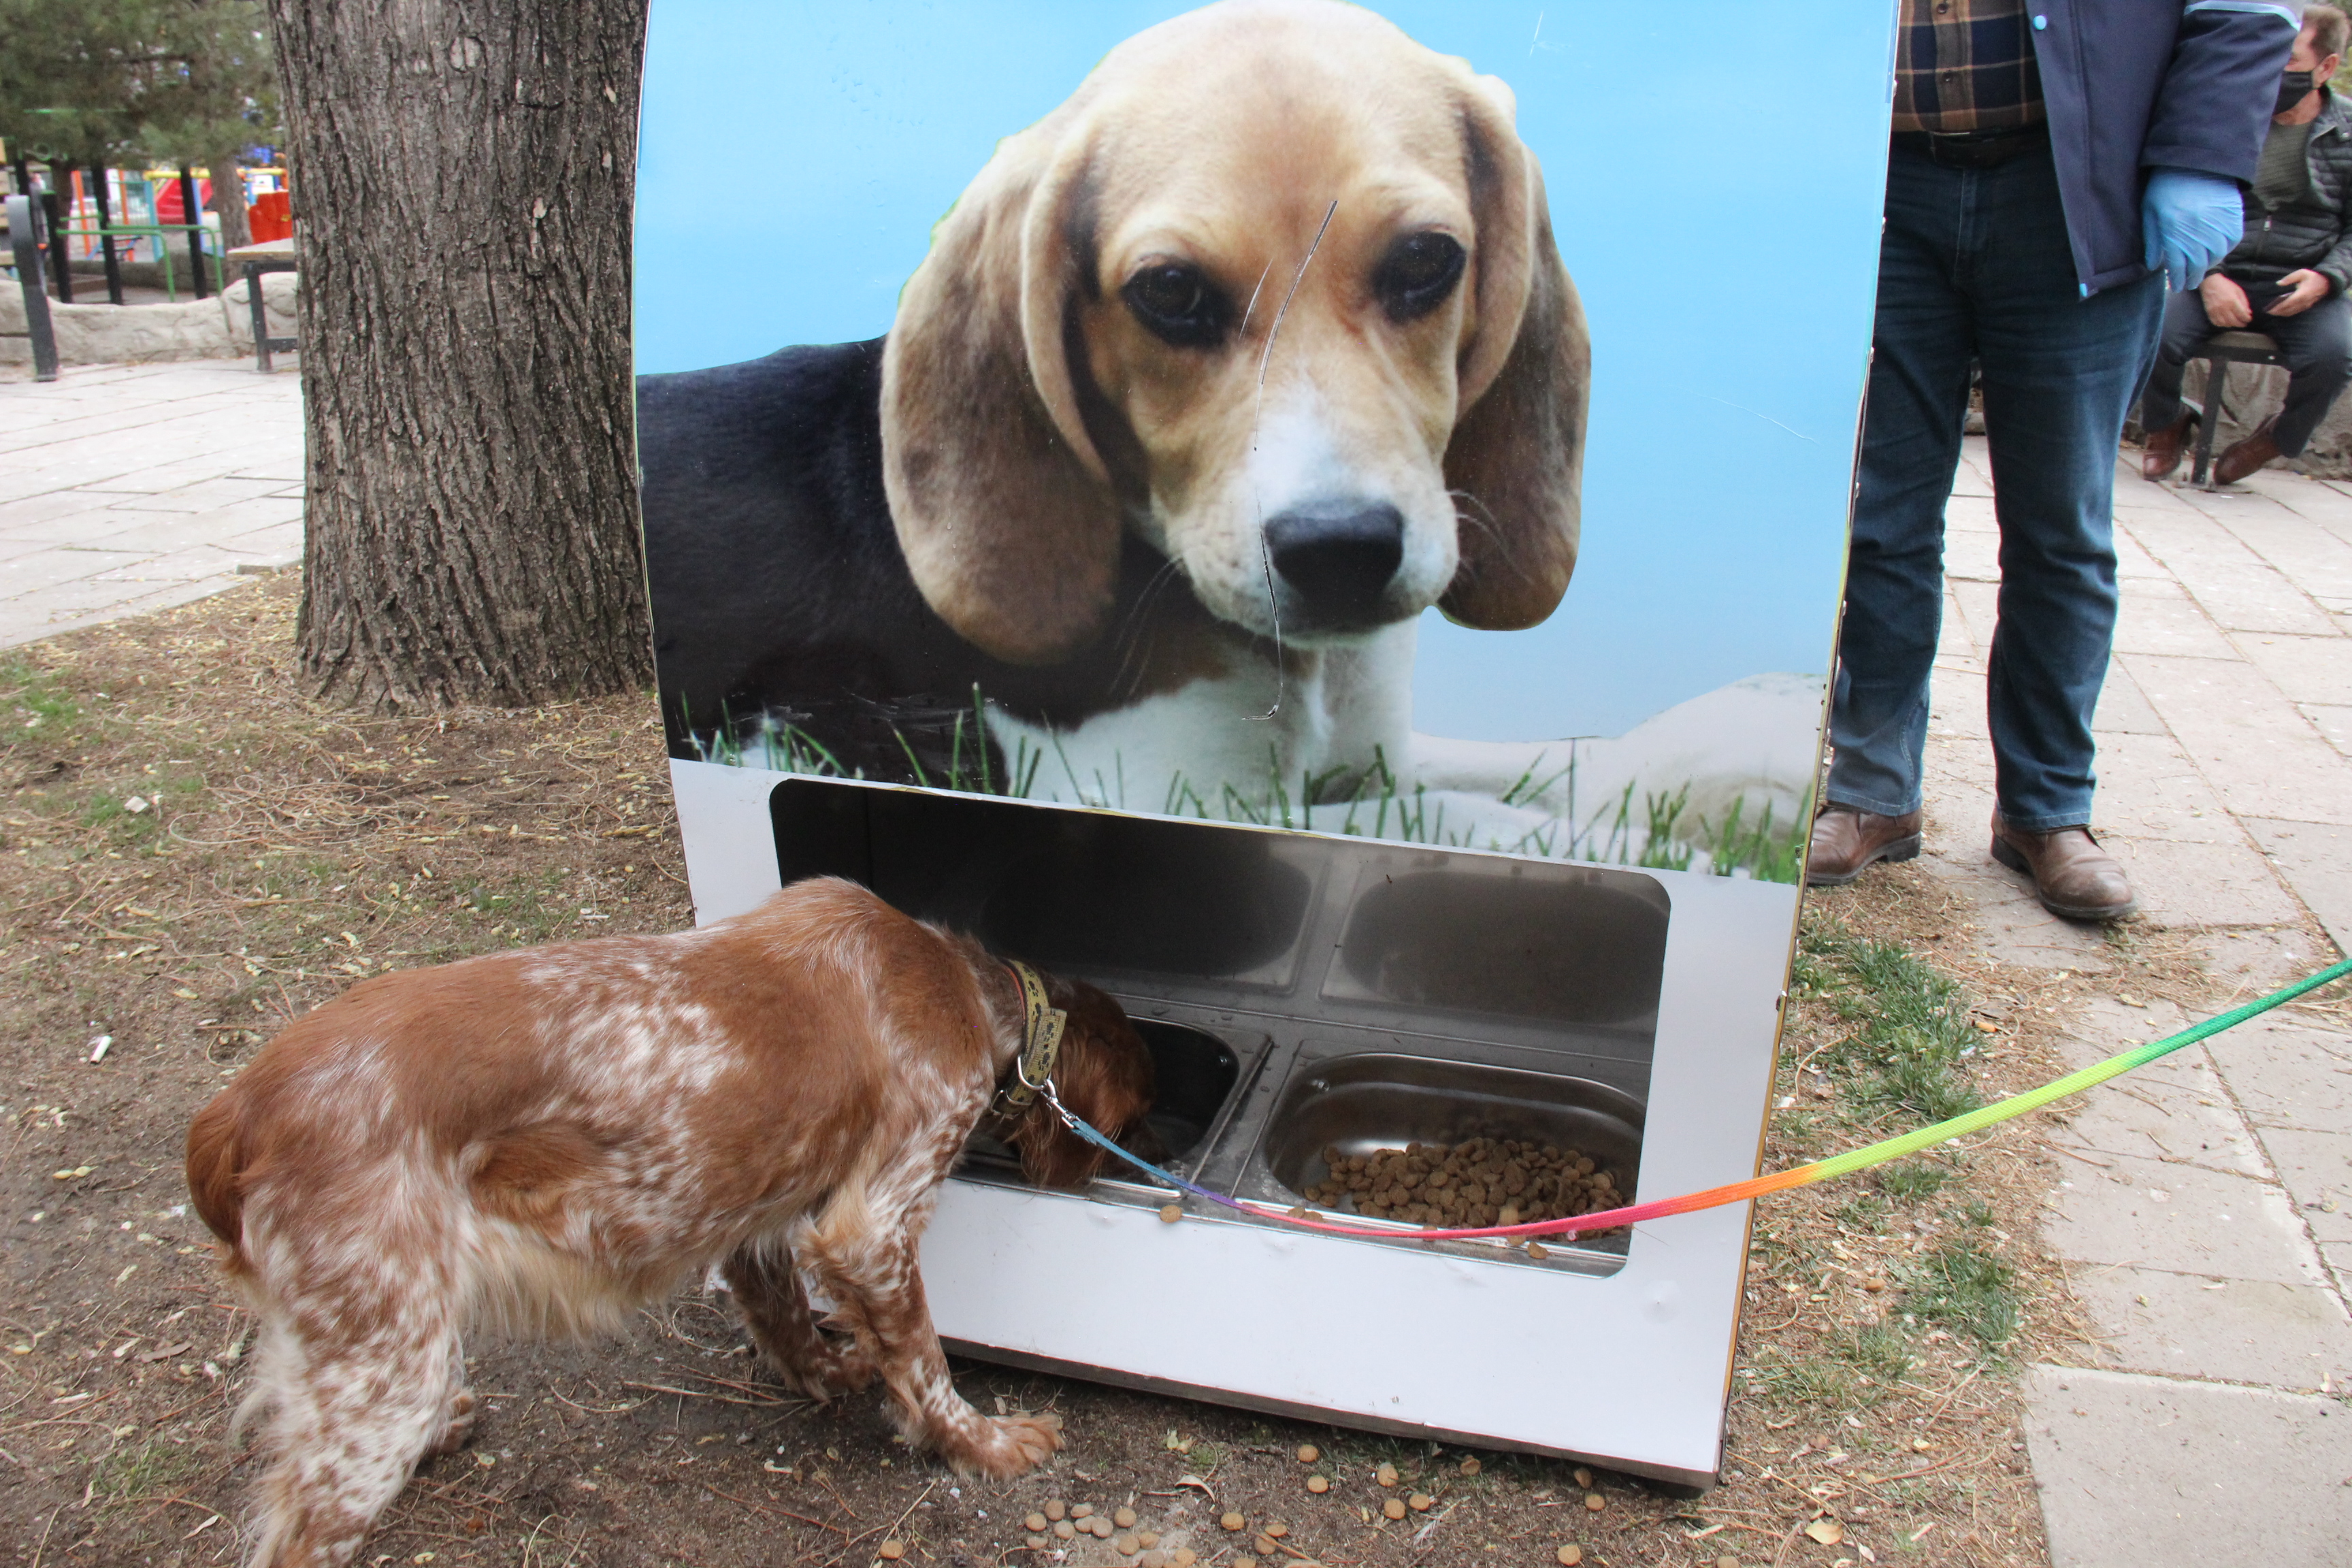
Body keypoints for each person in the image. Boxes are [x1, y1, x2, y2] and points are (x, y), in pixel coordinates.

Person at [1807, 0, 2299, 921]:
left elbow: (2242, 6)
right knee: (1883, 517)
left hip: (2074, 185)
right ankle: (1873, 791)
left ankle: (2046, 810)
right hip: (1883, 181)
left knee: (2060, 529)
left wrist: (2200, 152)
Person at [2140, 4, 2352, 487]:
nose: (2273, 72)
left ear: (2327, 67)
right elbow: (2188, 195)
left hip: (2303, 283)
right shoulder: (2228, 115)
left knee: (2335, 357)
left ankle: (2275, 440)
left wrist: (2326, 279)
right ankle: (2165, 426)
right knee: (2151, 330)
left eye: (2290, 61)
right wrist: (2212, 276)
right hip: (2219, 272)